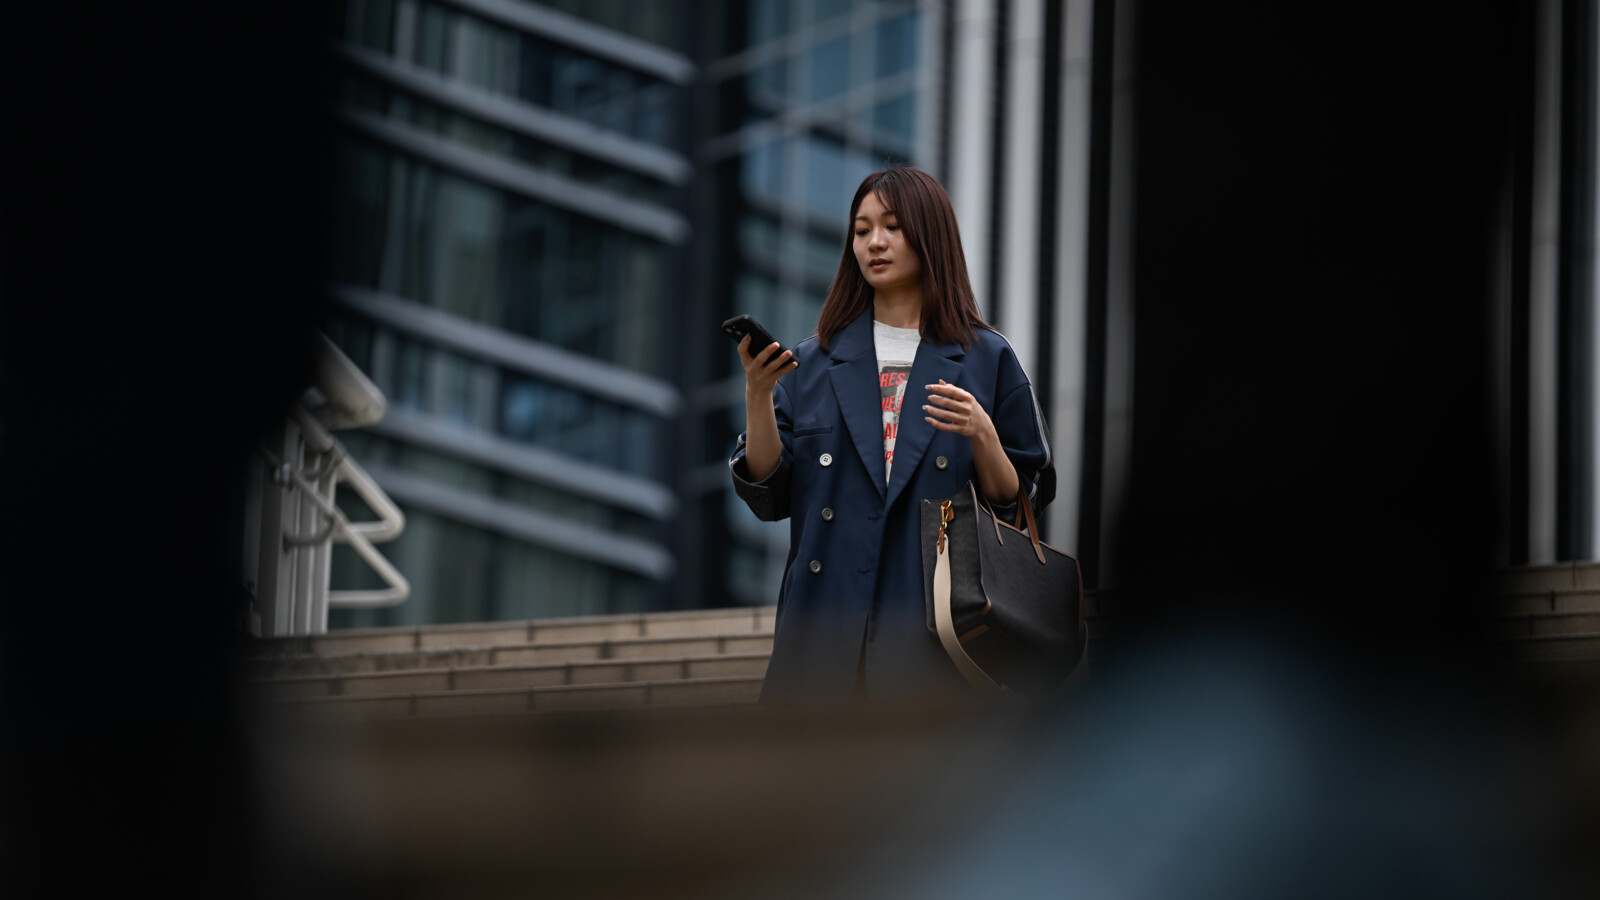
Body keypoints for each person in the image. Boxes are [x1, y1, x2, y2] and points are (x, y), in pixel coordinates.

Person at [730, 166, 1055, 704]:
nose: (874, 242)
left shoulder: (986, 358)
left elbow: (1023, 498)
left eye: (892, 226)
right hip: (821, 640)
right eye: (861, 230)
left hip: (940, 638)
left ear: (930, 235)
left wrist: (982, 434)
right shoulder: (814, 361)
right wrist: (757, 396)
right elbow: (769, 492)